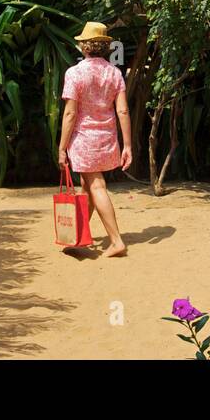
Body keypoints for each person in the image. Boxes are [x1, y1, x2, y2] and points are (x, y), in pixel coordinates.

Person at [58, 22, 132, 258]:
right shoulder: (114, 73)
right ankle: (80, 237)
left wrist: (61, 147)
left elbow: (70, 113)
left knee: (96, 185)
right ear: (104, 47)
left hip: (83, 139)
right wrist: (128, 145)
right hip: (107, 139)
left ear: (84, 46)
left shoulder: (74, 73)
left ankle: (116, 241)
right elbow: (122, 111)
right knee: (87, 186)